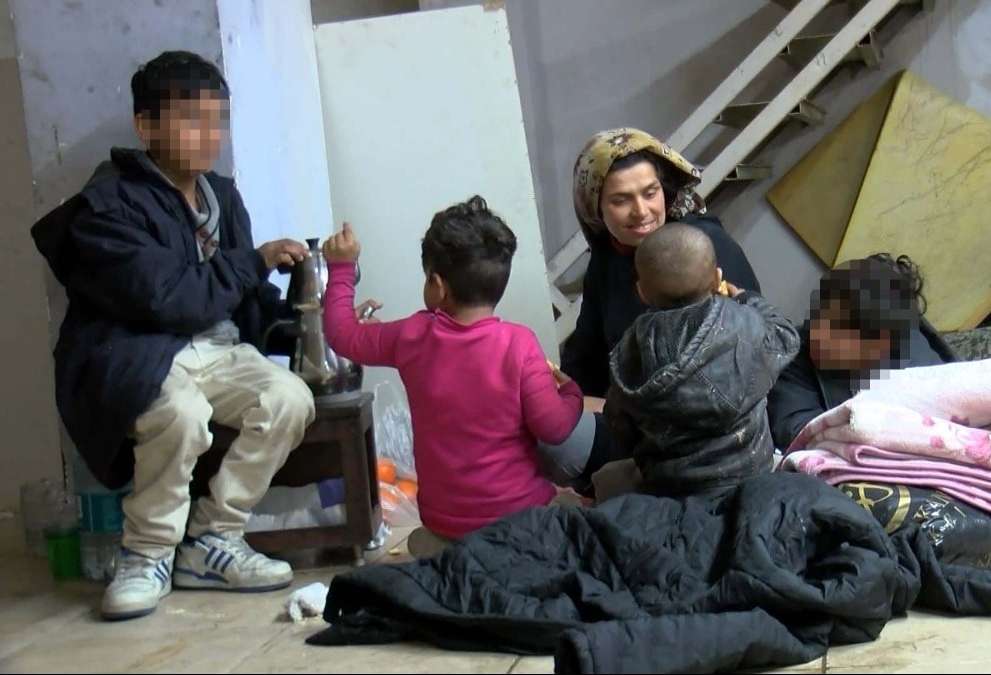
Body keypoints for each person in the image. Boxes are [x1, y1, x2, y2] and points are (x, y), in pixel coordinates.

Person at [29, 50, 319, 621]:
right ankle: (147, 553)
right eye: (192, 120)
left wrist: (309, 319)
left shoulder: (221, 196)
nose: (210, 135)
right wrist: (254, 261)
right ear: (147, 126)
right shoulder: (109, 204)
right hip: (141, 350)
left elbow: (240, 297)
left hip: (216, 348)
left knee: (289, 399)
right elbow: (169, 300)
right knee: (181, 414)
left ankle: (212, 540)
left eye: (218, 121)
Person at [320, 196, 588, 558]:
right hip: (519, 516)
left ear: (437, 284)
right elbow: (554, 428)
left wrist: (341, 267)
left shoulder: (410, 337)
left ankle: (456, 554)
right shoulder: (519, 343)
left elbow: (342, 334)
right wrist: (571, 393)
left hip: (445, 525)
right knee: (573, 508)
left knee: (420, 543)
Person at [560, 128, 762, 398]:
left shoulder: (704, 244)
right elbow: (587, 353)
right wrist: (569, 397)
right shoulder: (605, 260)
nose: (641, 211)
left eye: (650, 193)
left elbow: (755, 343)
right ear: (595, 209)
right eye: (621, 200)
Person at [604, 223, 800, 497]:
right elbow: (787, 338)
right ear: (717, 279)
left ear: (642, 292)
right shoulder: (743, 324)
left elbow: (620, 424)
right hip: (752, 477)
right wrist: (749, 299)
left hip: (669, 488)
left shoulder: (628, 350)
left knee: (606, 479)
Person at [767, 253, 956, 451]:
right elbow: (803, 439)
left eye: (840, 329)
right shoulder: (790, 357)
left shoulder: (924, 366)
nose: (819, 331)